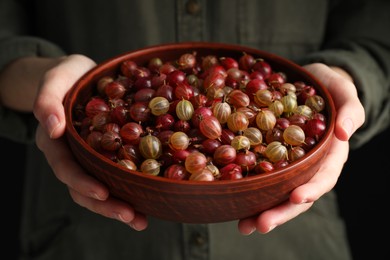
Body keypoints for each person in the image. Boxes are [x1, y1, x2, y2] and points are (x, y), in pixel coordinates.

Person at [0, 0, 389, 259]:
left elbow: (378, 36)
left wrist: (347, 77)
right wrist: (37, 80)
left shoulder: (233, 121)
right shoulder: (177, 115)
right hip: (83, 239)